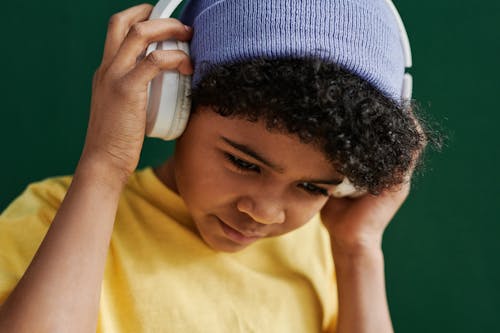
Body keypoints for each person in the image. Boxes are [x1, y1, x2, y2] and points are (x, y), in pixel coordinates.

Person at [0, 1, 431, 332]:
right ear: (171, 105)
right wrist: (105, 164)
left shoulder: (324, 254)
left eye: (312, 188)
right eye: (243, 162)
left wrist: (358, 251)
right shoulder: (52, 220)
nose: (264, 211)